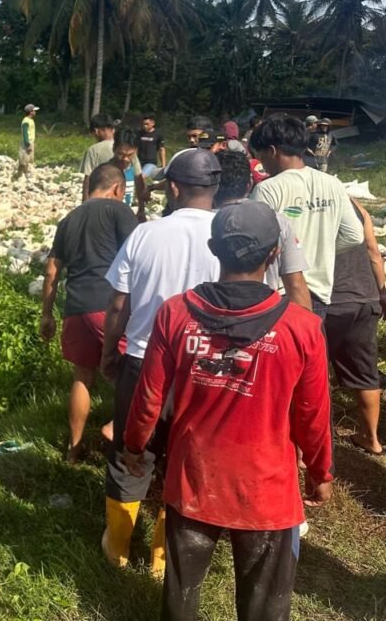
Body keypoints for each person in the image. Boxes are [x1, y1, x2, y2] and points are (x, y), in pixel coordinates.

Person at [122, 200, 333, 621]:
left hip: (193, 481)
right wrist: (319, 472)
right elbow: (312, 414)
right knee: (264, 605)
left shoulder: (176, 313)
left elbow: (148, 396)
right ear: (274, 253)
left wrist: (133, 447)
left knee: (181, 597)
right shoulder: (302, 328)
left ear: (213, 249)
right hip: (267, 491)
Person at [99, 148, 223, 574]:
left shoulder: (145, 234)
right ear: (215, 187)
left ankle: (116, 548)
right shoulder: (230, 237)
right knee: (185, 458)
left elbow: (118, 305)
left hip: (142, 359)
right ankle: (160, 557)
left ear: (172, 187)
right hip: (205, 367)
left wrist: (107, 353)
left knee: (130, 452)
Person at [40, 163, 137, 461]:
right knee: (134, 373)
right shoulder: (118, 211)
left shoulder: (69, 220)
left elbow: (52, 270)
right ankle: (120, 434)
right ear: (118, 189)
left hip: (75, 309)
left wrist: (47, 314)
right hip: (108, 306)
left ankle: (74, 448)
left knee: (82, 376)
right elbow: (140, 253)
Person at [250, 113, 364, 318]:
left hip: (280, 293)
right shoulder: (333, 184)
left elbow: (257, 244)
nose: (262, 165)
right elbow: (354, 236)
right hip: (319, 295)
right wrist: (320, 250)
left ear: (272, 151)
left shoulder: (268, 189)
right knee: (310, 347)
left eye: (260, 156)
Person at [214, 149, 312, 311]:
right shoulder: (277, 222)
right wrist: (307, 331)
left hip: (208, 317)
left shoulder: (195, 224)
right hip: (266, 319)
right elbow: (295, 286)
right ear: (249, 184)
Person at [325, 200, 385, 455]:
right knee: (365, 370)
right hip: (363, 297)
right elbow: (373, 250)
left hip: (327, 298)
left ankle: (317, 441)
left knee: (314, 374)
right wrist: (381, 291)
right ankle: (371, 438)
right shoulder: (355, 206)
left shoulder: (297, 202)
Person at [110, 126, 148, 214]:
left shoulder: (134, 162)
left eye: (130, 155)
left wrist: (141, 210)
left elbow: (139, 183)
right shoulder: (106, 170)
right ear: (114, 149)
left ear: (136, 150)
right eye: (121, 154)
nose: (125, 159)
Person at [13, 104, 38, 181]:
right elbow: (25, 133)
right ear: (30, 112)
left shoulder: (31, 120)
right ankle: (19, 175)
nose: (35, 112)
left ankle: (26, 174)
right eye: (34, 110)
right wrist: (28, 144)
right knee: (23, 160)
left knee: (28, 160)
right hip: (26, 143)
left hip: (31, 142)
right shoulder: (26, 121)